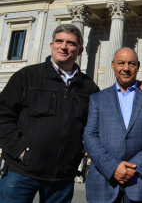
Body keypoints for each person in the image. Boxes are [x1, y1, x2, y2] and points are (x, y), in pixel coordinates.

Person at [0, 24, 100, 203]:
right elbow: (3, 115)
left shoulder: (88, 87)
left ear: (80, 50)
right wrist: (19, 150)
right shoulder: (27, 76)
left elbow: (98, 122)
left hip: (62, 177)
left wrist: (136, 87)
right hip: (21, 172)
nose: (64, 46)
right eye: (59, 41)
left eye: (70, 43)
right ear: (52, 45)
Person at [83, 47, 142, 203]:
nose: (126, 68)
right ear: (113, 65)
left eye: (131, 63)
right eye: (121, 63)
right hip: (104, 181)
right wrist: (113, 167)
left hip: (140, 181)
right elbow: (90, 136)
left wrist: (135, 167)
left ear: (138, 65)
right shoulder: (97, 99)